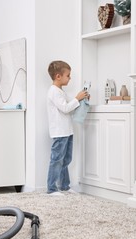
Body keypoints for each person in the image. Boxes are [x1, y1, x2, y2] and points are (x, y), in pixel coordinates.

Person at [46, 60, 89, 195]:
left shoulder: (60, 91)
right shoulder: (54, 91)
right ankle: (51, 188)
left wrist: (81, 99)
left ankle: (64, 185)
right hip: (60, 132)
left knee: (66, 159)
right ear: (58, 76)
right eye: (68, 75)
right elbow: (65, 108)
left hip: (67, 131)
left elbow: (70, 105)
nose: (70, 78)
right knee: (57, 159)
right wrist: (77, 98)